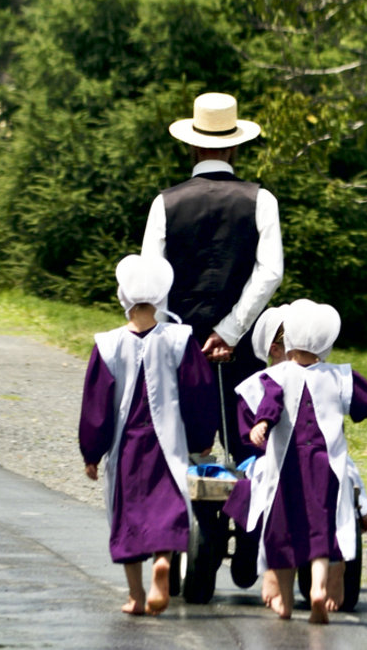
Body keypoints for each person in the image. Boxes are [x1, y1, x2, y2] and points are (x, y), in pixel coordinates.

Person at [142, 92, 284, 464]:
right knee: (249, 446)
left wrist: (170, 339)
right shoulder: (262, 199)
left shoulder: (165, 203)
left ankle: (201, 522)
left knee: (186, 447)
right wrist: (231, 331)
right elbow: (270, 272)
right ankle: (249, 520)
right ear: (235, 148)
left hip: (182, 344)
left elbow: (152, 281)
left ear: (190, 144)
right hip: (243, 345)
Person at [223, 305, 367, 615]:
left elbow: (265, 408)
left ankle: (282, 594)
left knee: (281, 526)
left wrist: (261, 424)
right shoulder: (338, 375)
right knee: (325, 521)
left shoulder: (273, 377)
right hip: (323, 465)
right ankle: (319, 584)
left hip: (284, 465)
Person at [78, 254, 219, 615]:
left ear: (123, 296)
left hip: (126, 446)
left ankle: (135, 594)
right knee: (166, 506)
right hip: (166, 445)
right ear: (161, 297)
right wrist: (203, 437)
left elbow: (96, 405)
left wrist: (91, 452)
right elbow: (198, 391)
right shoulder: (179, 339)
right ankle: (163, 561)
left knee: (129, 516)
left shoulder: (107, 345)